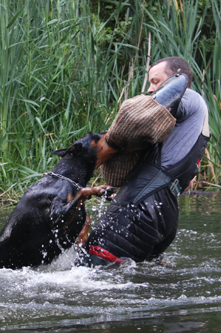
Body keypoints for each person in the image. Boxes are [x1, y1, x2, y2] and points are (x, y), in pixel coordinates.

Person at [76, 56, 210, 267]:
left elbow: (143, 114)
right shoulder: (196, 127)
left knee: (87, 270)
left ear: (177, 79)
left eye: (156, 82)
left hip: (141, 205)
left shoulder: (189, 97)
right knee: (138, 277)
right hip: (164, 214)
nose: (150, 89)